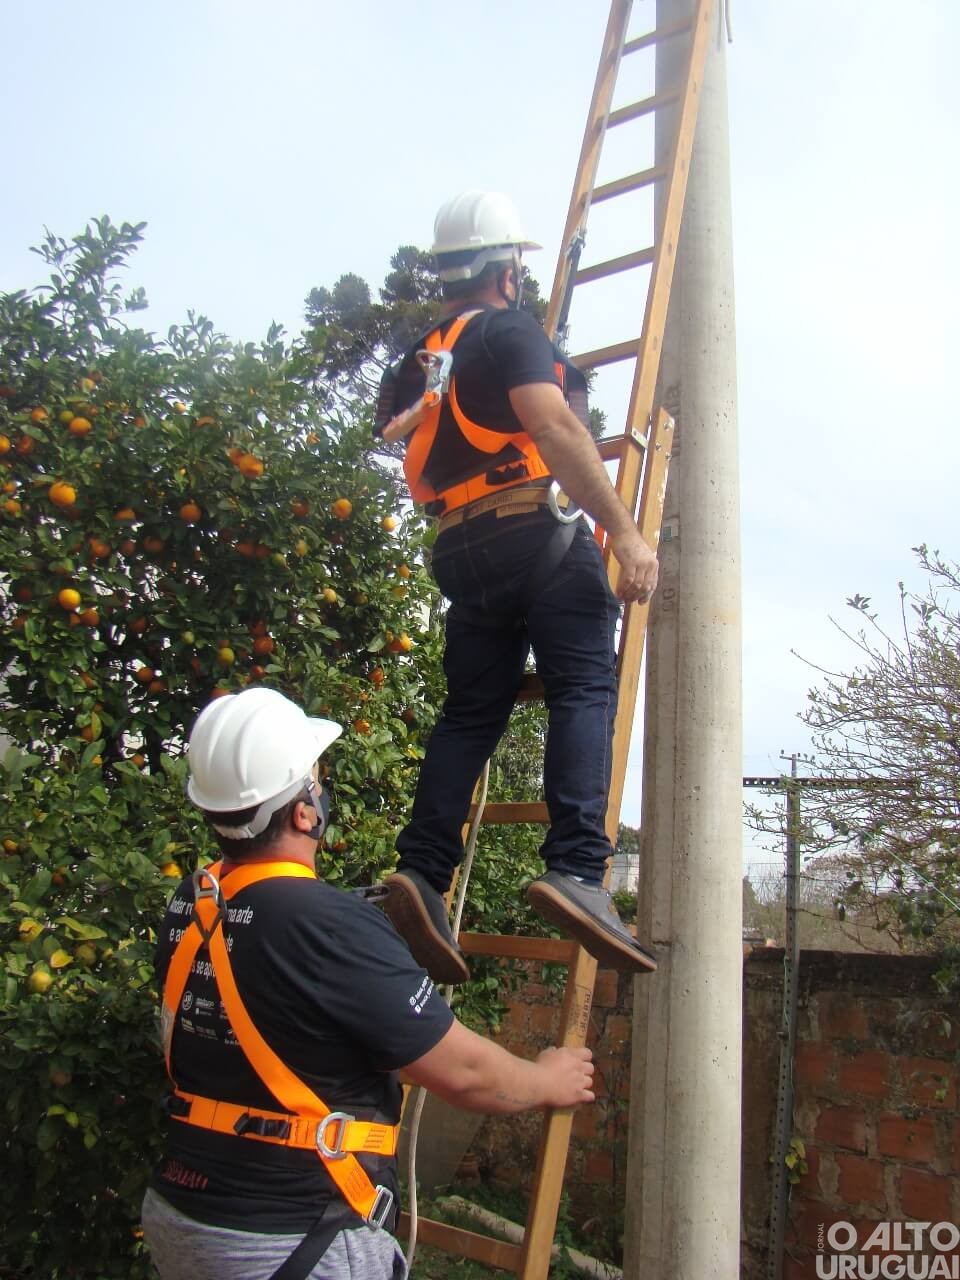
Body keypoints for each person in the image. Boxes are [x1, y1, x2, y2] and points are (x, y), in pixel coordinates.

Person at [141, 687, 594, 1280]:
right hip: (292, 1233)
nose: (322, 790)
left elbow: (279, 1025)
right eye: (315, 780)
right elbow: (465, 1074)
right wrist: (545, 1079)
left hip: (183, 1214)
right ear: (305, 812)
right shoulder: (329, 924)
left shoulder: (191, 904)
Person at [374, 189, 660, 986]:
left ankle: (423, 877)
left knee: (470, 712)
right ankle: (577, 868)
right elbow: (553, 426)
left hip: (458, 553)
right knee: (582, 685)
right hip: (531, 532)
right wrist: (627, 533)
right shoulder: (508, 328)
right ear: (506, 270)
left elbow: (422, 446)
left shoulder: (422, 359)